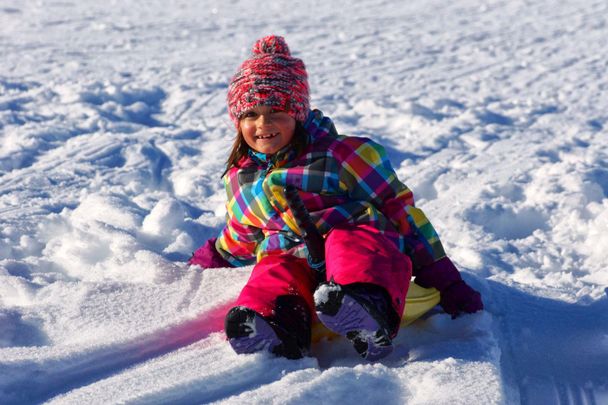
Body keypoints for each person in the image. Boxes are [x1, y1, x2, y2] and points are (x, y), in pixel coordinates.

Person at [189, 35, 483, 361]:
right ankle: (277, 324)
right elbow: (241, 233)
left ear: (298, 114)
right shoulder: (241, 179)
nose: (263, 124)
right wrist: (213, 258)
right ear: (237, 121)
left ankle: (365, 304)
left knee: (350, 241)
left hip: (359, 247)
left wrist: (442, 275)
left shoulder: (341, 155)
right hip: (296, 262)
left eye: (276, 111)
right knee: (272, 269)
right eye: (251, 114)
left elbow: (398, 209)